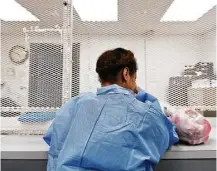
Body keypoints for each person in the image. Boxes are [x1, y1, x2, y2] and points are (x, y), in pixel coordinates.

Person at [43, 48, 179, 171]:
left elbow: (53, 137)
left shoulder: (75, 103)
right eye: (134, 78)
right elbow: (166, 136)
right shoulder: (145, 112)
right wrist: (148, 100)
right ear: (126, 73)